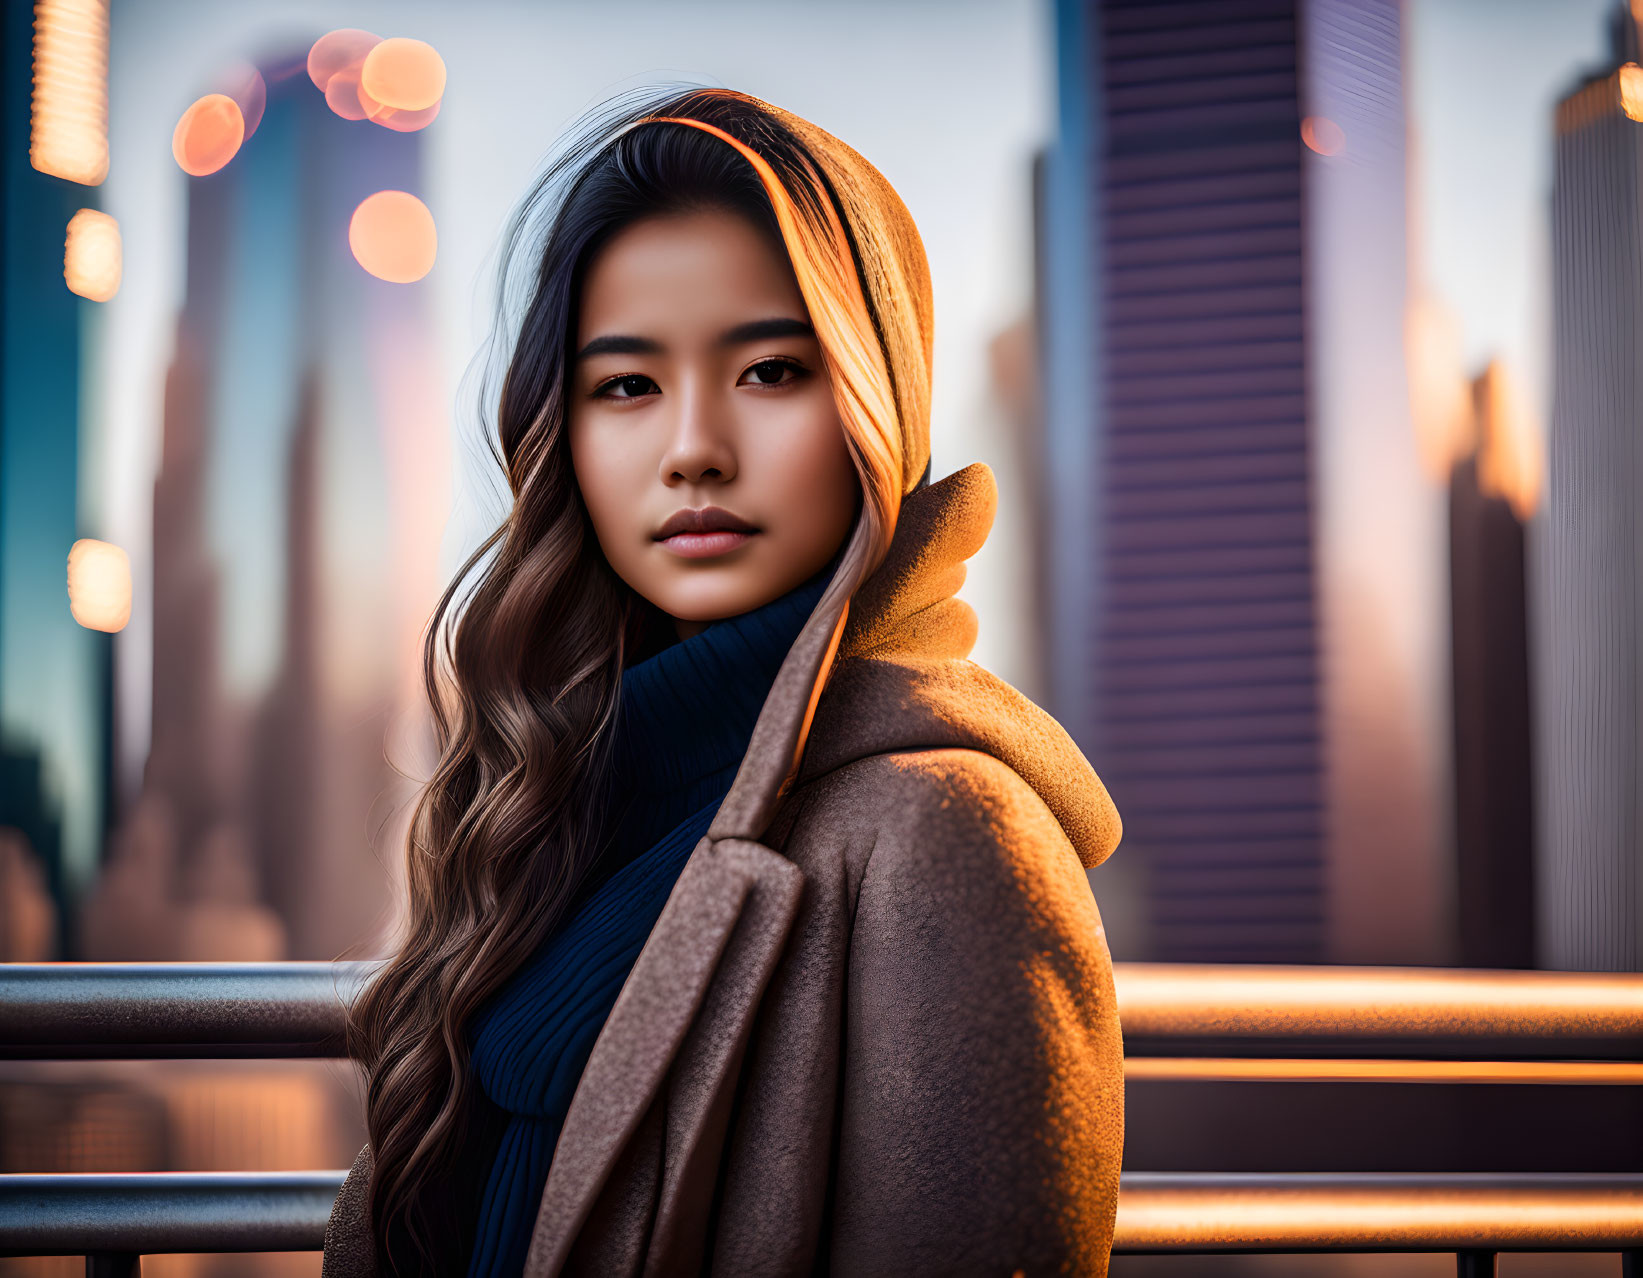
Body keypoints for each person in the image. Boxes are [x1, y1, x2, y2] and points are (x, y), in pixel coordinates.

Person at [321, 85, 1125, 1278]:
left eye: (767, 371)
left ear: (874, 407)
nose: (692, 444)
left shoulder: (948, 835)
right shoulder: (562, 793)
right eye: (627, 386)